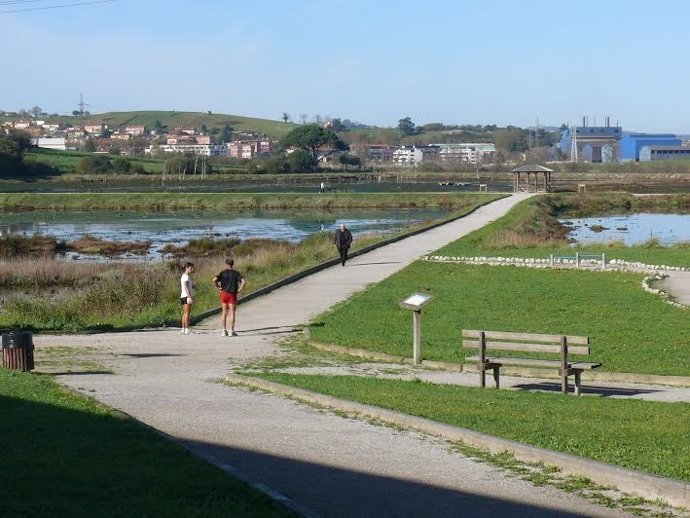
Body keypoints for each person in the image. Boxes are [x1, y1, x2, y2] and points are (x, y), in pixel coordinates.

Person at [212, 258, 246, 337]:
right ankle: (231, 331)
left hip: (224, 293)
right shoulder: (236, 273)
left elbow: (214, 280)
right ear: (232, 264)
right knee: (232, 313)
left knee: (224, 313)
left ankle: (224, 331)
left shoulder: (222, 273)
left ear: (226, 264)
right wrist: (239, 290)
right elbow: (243, 281)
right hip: (232, 294)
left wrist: (218, 287)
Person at [180, 262, 194, 335]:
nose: (192, 269)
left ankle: (183, 328)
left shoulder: (184, 276)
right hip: (186, 296)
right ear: (187, 268)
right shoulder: (186, 276)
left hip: (183, 296)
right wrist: (189, 296)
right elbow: (186, 286)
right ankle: (187, 329)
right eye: (191, 268)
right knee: (187, 313)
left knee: (185, 313)